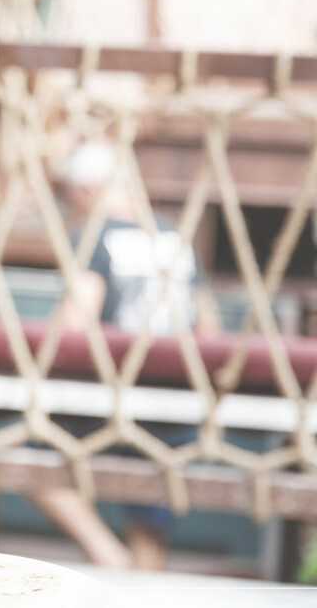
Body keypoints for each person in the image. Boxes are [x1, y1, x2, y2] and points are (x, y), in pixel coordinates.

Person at [31, 140, 222, 570]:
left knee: (31, 459)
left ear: (87, 190)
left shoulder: (95, 235)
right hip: (175, 405)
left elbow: (75, 324)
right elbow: (209, 327)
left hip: (112, 400)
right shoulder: (175, 234)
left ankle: (107, 556)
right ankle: (140, 582)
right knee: (149, 523)